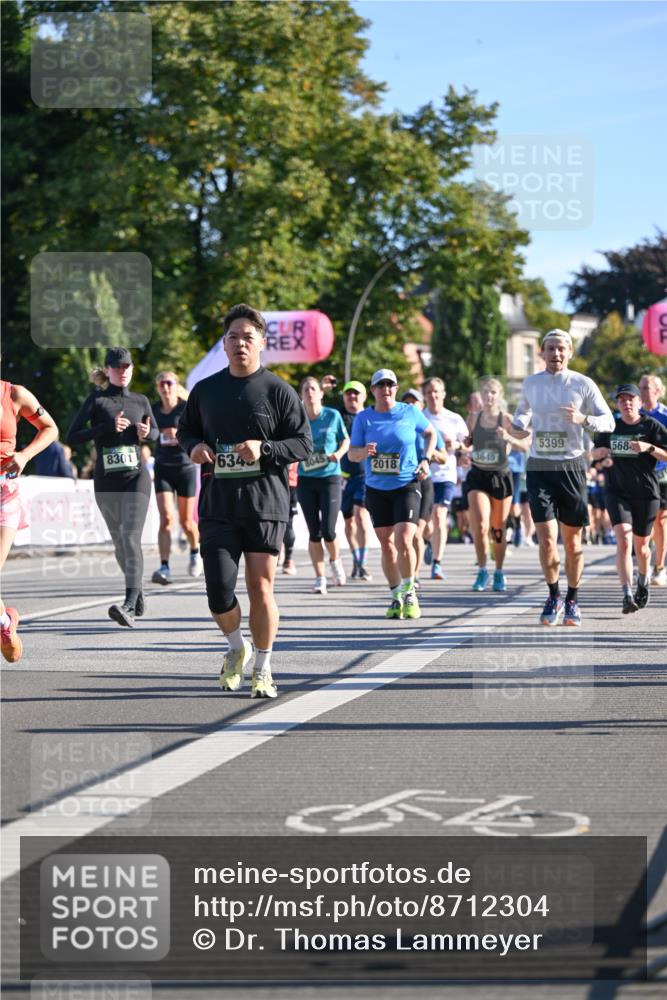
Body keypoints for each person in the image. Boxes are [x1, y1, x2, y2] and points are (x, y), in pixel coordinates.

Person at [177, 303, 312, 699]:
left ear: (262, 344)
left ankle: (264, 669)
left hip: (264, 503)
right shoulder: (206, 391)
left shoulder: (279, 391)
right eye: (233, 337)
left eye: (248, 338)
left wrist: (264, 448)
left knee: (261, 586)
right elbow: (185, 432)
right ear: (224, 343)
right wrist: (195, 446)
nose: (240, 344)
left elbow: (303, 444)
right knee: (218, 591)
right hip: (218, 504)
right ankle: (238, 648)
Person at [512, 329, 615, 626]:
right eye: (551, 349)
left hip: (570, 467)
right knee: (546, 540)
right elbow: (522, 414)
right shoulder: (532, 384)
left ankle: (573, 599)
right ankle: (553, 595)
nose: (556, 354)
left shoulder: (583, 383)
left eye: (561, 349)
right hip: (539, 466)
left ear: (570, 353)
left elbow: (607, 420)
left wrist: (584, 419)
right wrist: (518, 425)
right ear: (542, 352)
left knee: (573, 542)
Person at [66, 347, 158, 628]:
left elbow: (154, 432)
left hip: (135, 479)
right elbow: (72, 435)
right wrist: (105, 428)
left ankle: (129, 604)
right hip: (106, 480)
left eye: (127, 366)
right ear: (107, 370)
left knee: (130, 538)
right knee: (119, 543)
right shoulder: (96, 401)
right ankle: (138, 591)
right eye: (117, 367)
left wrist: (147, 433)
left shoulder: (141, 400)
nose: (123, 371)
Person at [349, 369, 436, 620]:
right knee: (387, 545)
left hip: (406, 484)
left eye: (390, 385)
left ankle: (410, 591)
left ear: (396, 389)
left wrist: (426, 460)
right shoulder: (364, 419)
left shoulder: (409, 412)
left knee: (404, 538)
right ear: (373, 390)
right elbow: (352, 454)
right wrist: (364, 451)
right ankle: (396, 595)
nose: (386, 389)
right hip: (376, 489)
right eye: (381, 385)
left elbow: (431, 433)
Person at [592, 384, 667, 613]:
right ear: (617, 404)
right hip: (617, 492)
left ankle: (643, 582)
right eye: (622, 400)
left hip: (646, 493)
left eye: (630, 399)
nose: (626, 403)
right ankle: (626, 594)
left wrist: (649, 447)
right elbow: (595, 454)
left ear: (639, 402)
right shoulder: (610, 426)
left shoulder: (651, 426)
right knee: (623, 540)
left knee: (642, 547)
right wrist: (600, 455)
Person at [1, 377, 58, 662]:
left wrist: (24, 455)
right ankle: (4, 622)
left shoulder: (14, 394)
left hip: (4, 493)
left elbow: (51, 429)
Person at [466, 377, 527, 592]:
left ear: (499, 395)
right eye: (485, 392)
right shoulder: (474, 417)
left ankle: (499, 571)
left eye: (493, 392)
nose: (489, 396)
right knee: (480, 525)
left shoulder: (507, 419)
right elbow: (468, 441)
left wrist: (509, 439)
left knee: (497, 528)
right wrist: (463, 446)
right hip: (478, 476)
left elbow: (526, 443)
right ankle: (483, 570)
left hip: (500, 477)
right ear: (481, 396)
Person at [297, 376, 349, 593]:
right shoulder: (297, 419)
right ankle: (320, 578)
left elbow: (345, 440)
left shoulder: (333, 415)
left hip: (330, 477)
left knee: (328, 529)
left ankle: (335, 560)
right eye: (306, 389)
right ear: (301, 395)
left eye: (313, 389)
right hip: (306, 478)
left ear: (321, 393)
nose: (310, 392)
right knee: (314, 532)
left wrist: (338, 453)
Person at [150, 370, 202, 584]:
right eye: (161, 383)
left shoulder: (185, 407)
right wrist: (156, 434)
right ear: (157, 387)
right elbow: (149, 433)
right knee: (166, 519)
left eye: (169, 383)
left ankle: (194, 551)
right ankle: (164, 567)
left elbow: (199, 424)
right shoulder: (153, 410)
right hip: (163, 467)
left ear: (176, 385)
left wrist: (179, 435)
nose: (165, 387)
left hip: (185, 468)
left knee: (187, 521)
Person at [422, 377, 469, 580]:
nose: (433, 395)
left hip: (446, 475)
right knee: (426, 524)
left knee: (440, 516)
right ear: (425, 395)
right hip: (423, 475)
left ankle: (437, 563)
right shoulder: (419, 417)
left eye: (437, 391)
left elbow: (467, 444)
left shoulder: (454, 418)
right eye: (429, 392)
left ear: (443, 394)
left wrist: (456, 446)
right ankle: (428, 542)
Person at [337, 379, 373, 581]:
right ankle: (355, 560)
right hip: (343, 476)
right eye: (348, 393)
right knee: (349, 522)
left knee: (361, 516)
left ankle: (363, 562)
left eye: (356, 393)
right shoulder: (339, 416)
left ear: (364, 396)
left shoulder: (370, 416)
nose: (352, 397)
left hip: (365, 475)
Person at [639, 374, 667, 585]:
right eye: (640, 388)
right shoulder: (635, 414)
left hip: (662, 472)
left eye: (647, 388)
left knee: (660, 519)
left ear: (658, 391)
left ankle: (659, 567)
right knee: (643, 520)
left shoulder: (665, 414)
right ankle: (644, 564)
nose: (643, 391)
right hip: (639, 474)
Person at [281, 462, 299, 575]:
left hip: (291, 484)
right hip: (271, 483)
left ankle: (288, 559)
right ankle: (278, 549)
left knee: (288, 524)